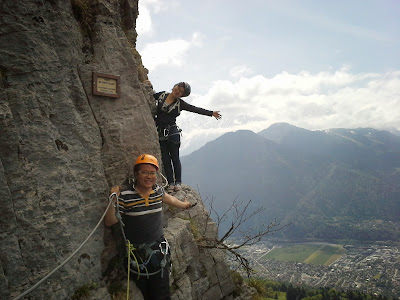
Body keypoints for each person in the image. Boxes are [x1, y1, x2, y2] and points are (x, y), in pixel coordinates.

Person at [105, 154, 191, 300]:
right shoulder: (125, 195)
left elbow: (169, 198)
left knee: (161, 294)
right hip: (136, 255)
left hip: (157, 252)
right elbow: (110, 221)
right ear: (136, 174)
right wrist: (114, 198)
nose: (149, 176)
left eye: (152, 173)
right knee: (146, 292)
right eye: (144, 172)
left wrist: (184, 204)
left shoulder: (157, 191)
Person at [145, 80, 221, 192]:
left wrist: (211, 113)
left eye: (181, 92)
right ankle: (171, 183)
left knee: (174, 158)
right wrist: (148, 86)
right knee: (165, 159)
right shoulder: (161, 95)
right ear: (174, 86)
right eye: (178, 88)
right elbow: (149, 95)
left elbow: (194, 109)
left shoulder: (180, 104)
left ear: (182, 96)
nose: (177, 91)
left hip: (172, 133)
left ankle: (178, 182)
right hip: (161, 132)